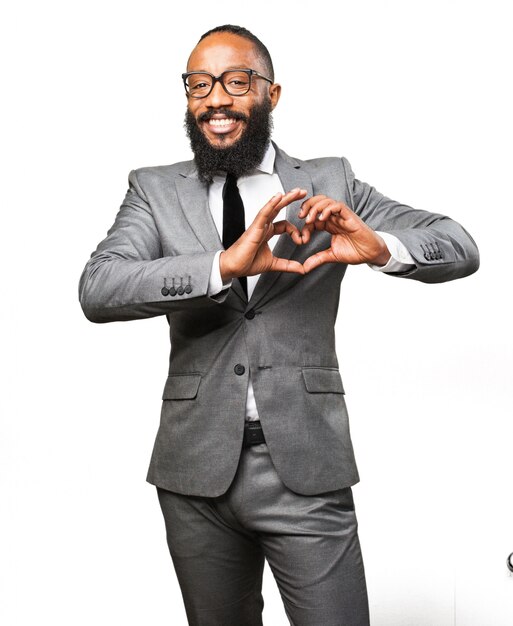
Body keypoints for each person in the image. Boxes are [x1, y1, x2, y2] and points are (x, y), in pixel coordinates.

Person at [79, 24, 479, 626]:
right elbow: (99, 286)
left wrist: (379, 247)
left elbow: (458, 245)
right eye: (199, 84)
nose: (216, 98)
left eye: (236, 82)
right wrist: (221, 266)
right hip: (194, 475)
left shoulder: (330, 181)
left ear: (272, 92)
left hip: (304, 467)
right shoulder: (154, 189)